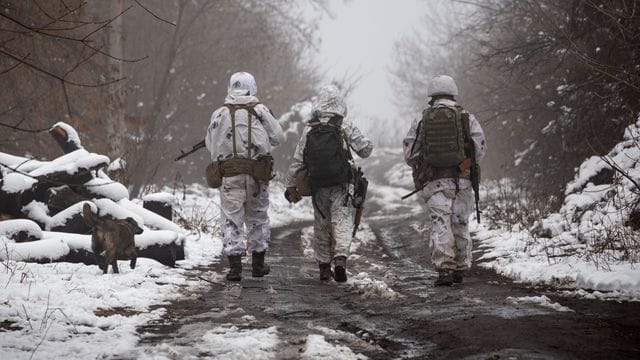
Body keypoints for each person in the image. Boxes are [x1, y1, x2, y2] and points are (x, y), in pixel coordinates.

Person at [284, 85, 373, 282]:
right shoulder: (344, 125)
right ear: (340, 103)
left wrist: (290, 185)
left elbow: (297, 160)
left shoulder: (310, 128)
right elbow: (366, 150)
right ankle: (340, 259)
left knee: (321, 223)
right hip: (342, 183)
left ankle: (324, 266)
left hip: (317, 184)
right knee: (341, 220)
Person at [403, 75, 486, 286]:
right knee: (460, 223)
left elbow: (410, 153)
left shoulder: (422, 119)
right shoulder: (466, 117)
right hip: (463, 181)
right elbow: (479, 148)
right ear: (453, 92)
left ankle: (444, 270)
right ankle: (461, 268)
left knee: (441, 224)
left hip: (435, 182)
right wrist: (464, 166)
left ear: (431, 95)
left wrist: (425, 165)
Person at [205, 72, 283, 282]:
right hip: (257, 176)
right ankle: (258, 265)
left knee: (231, 220)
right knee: (258, 219)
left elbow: (209, 144)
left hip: (230, 176)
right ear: (253, 87)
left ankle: (235, 268)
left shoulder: (219, 114)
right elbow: (278, 137)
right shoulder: (261, 111)